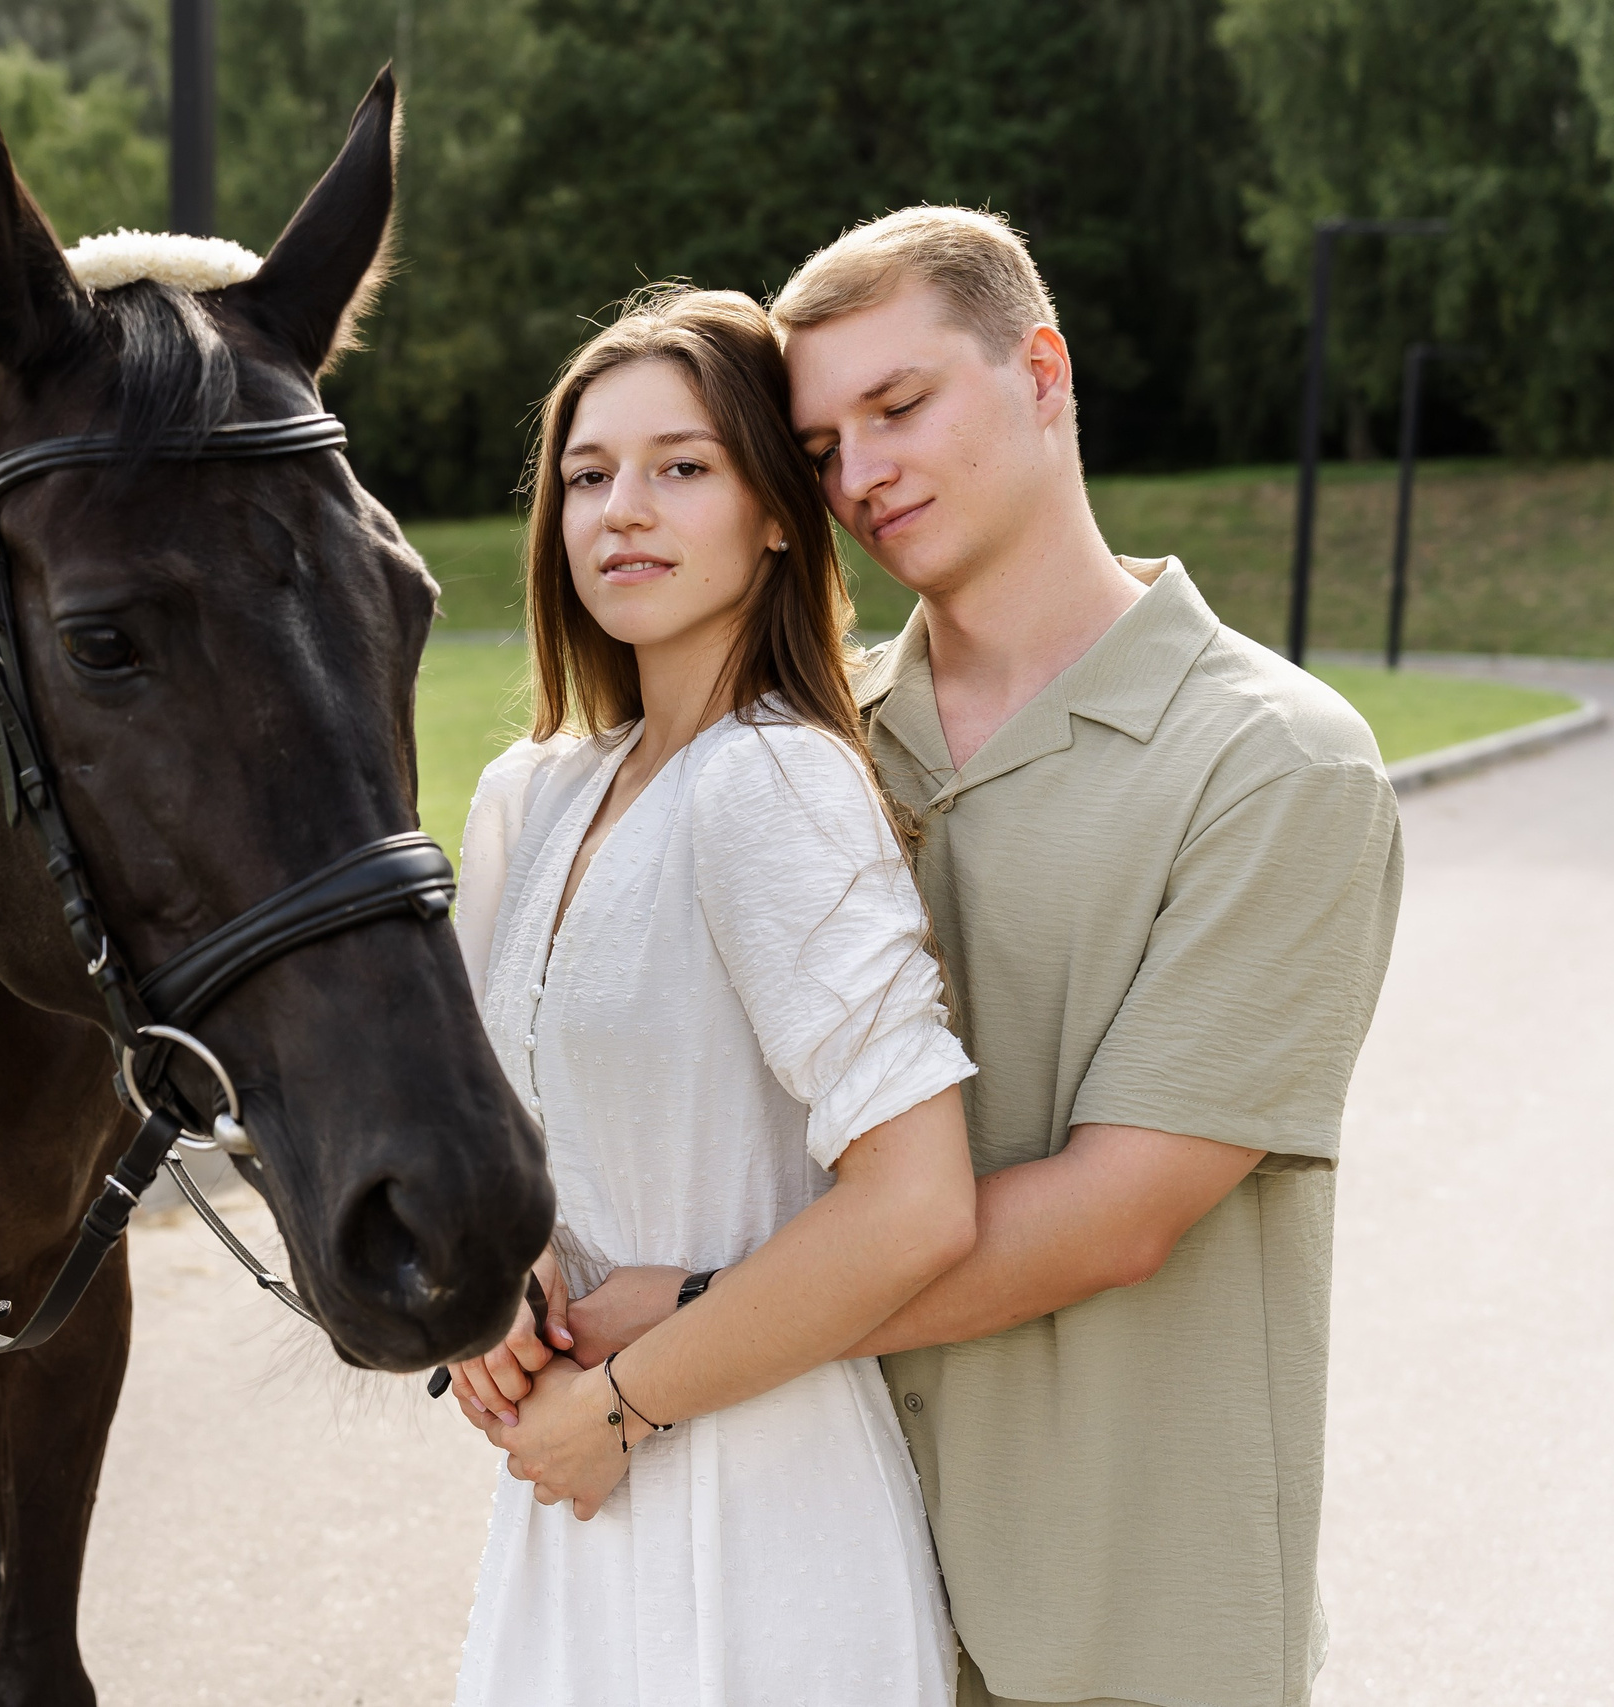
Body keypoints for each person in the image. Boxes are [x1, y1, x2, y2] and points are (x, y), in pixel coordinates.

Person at [567, 209, 1404, 1707]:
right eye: (820, 447)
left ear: (1043, 371)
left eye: (900, 406)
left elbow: (1113, 1216)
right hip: (813, 1590)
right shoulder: (804, 756)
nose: (863, 476)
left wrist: (689, 1330)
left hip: (1126, 1621)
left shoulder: (1277, 768)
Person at [441, 285, 980, 1707]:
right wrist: (490, 1288)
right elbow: (475, 1141)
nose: (623, 508)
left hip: (758, 1515)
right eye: (587, 474)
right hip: (566, 1502)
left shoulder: (778, 781)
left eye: (682, 468)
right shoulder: (535, 799)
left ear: (780, 515)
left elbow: (919, 1201)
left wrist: (622, 1409)